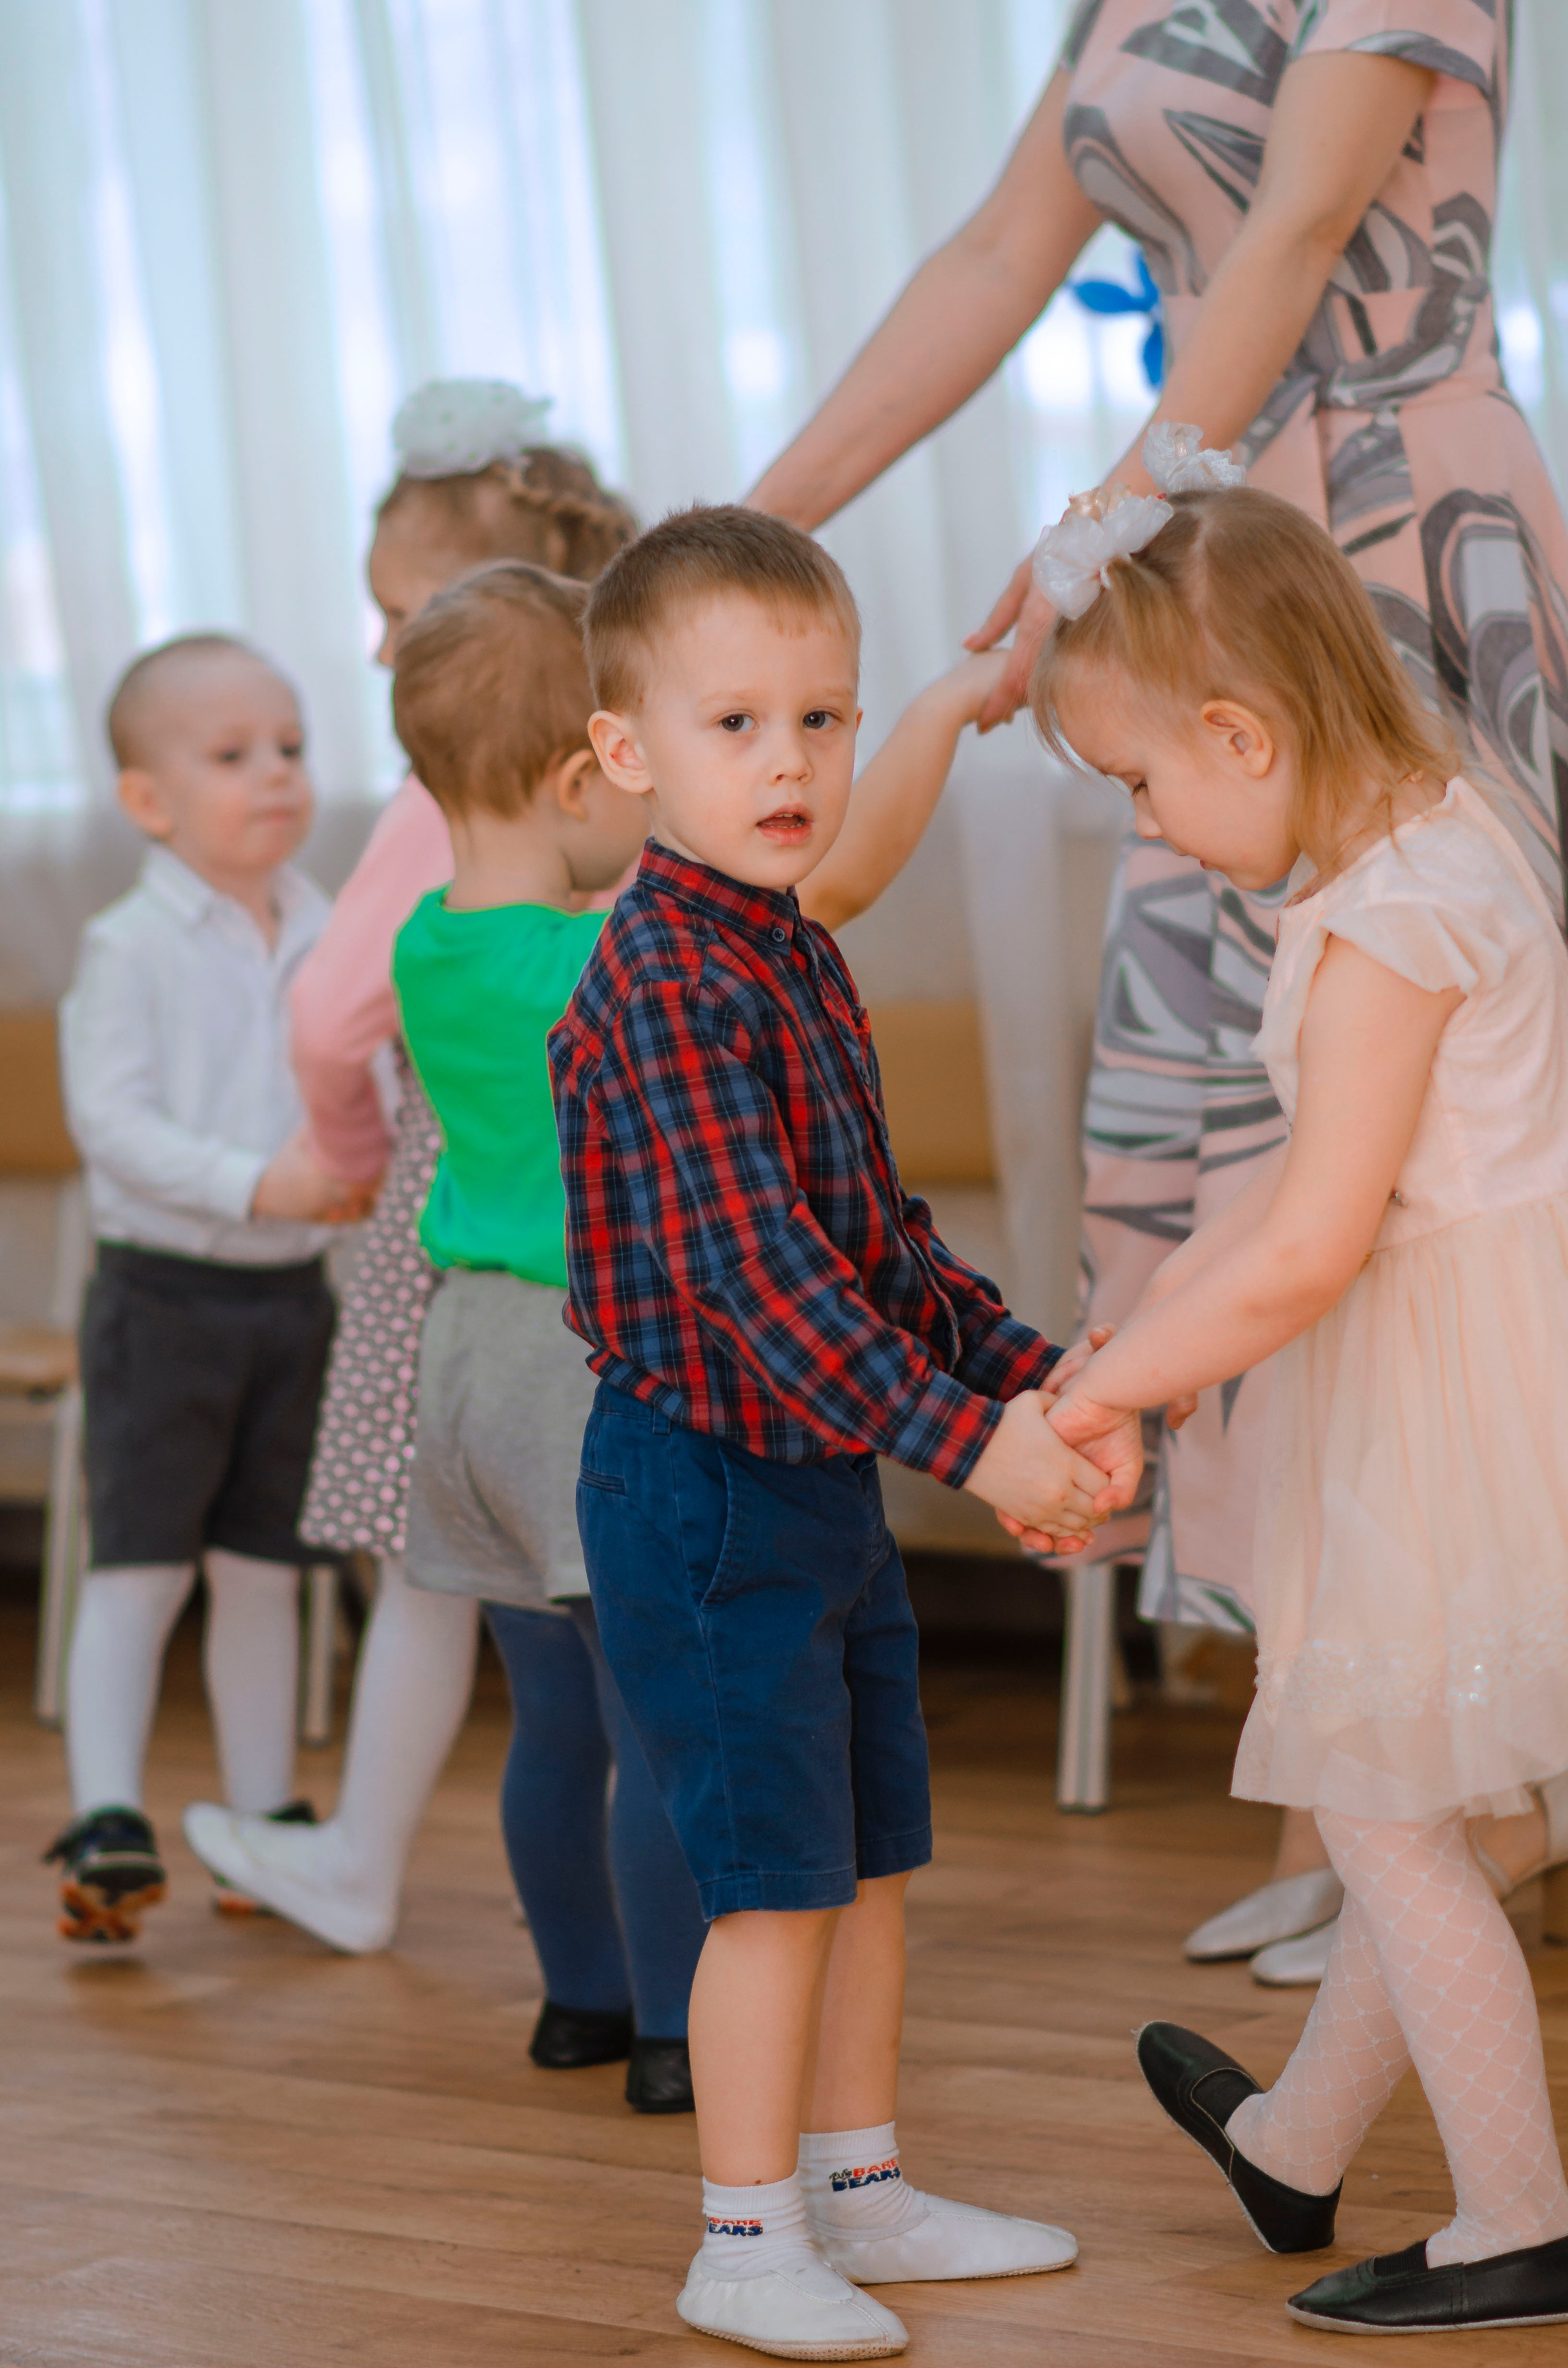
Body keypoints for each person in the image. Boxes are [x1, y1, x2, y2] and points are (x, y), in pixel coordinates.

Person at [747, 1, 1568, 1984]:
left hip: (1359, 549)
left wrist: (1102, 548)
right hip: (1195, 559)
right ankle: (1361, 1788)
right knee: (1227, 1154)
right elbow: (985, 263)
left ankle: (1478, 1793)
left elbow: (1290, 245)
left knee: (1405, 1162)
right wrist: (756, 530)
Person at [552, 505, 1134, 2361]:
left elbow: (878, 1252)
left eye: (823, 718)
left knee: (869, 1852)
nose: (792, 761)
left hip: (820, 1485)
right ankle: (745, 2234)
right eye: (737, 726)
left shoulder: (790, 948)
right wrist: (980, 1452)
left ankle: (863, 2187)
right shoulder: (658, 981)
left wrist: (1040, 1382)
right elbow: (755, 1285)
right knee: (775, 1887)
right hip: (705, 1496)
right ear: (629, 755)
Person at [1028, 449, 1568, 2335]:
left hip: (1456, 1396)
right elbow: (1277, 1185)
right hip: (1497, 1353)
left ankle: (1515, 2214)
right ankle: (1291, 2142)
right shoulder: (1439, 832)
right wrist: (1133, 1339)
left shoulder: (1379, 923)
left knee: (1390, 1817)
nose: (1156, 831)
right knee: (1438, 1798)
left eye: (1143, 785)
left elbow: (1317, 1237)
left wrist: (1107, 1409)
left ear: (1242, 735)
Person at [183, 383, 639, 1970]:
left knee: (428, 1545)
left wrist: (353, 1154)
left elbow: (328, 1008)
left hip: (458, 1223)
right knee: (560, 1592)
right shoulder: (629, 772)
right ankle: (584, 1913)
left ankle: (366, 1858)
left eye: (398, 616)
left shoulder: (437, 795)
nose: (379, 653)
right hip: (614, 1241)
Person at [48, 634, 360, 1943]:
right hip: (164, 1304)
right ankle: (107, 1813)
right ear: (148, 801)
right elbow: (108, 1122)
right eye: (233, 756)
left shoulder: (331, 920)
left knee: (263, 1569)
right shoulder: (131, 947)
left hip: (292, 1305)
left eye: (288, 747)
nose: (275, 775)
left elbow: (366, 1075)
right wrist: (251, 1182)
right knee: (139, 1568)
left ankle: (259, 1816)